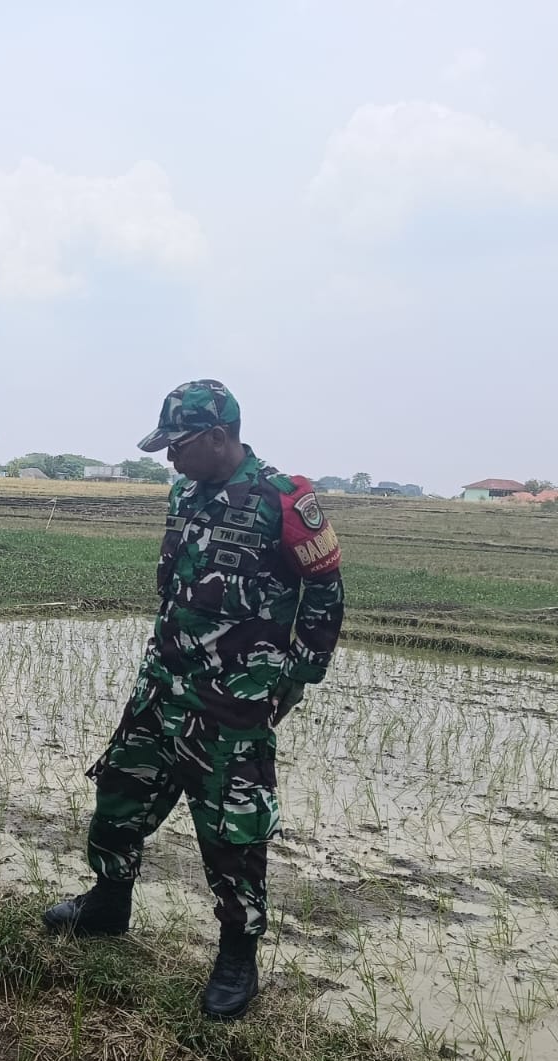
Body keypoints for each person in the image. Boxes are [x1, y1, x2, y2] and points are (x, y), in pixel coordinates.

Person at [43, 380, 345, 1020]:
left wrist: (295, 677)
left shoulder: (285, 500)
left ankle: (238, 955)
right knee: (120, 792)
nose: (170, 460)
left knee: (232, 832)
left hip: (233, 701)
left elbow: (325, 592)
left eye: (178, 446)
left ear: (218, 437)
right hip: (163, 683)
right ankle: (108, 903)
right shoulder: (184, 492)